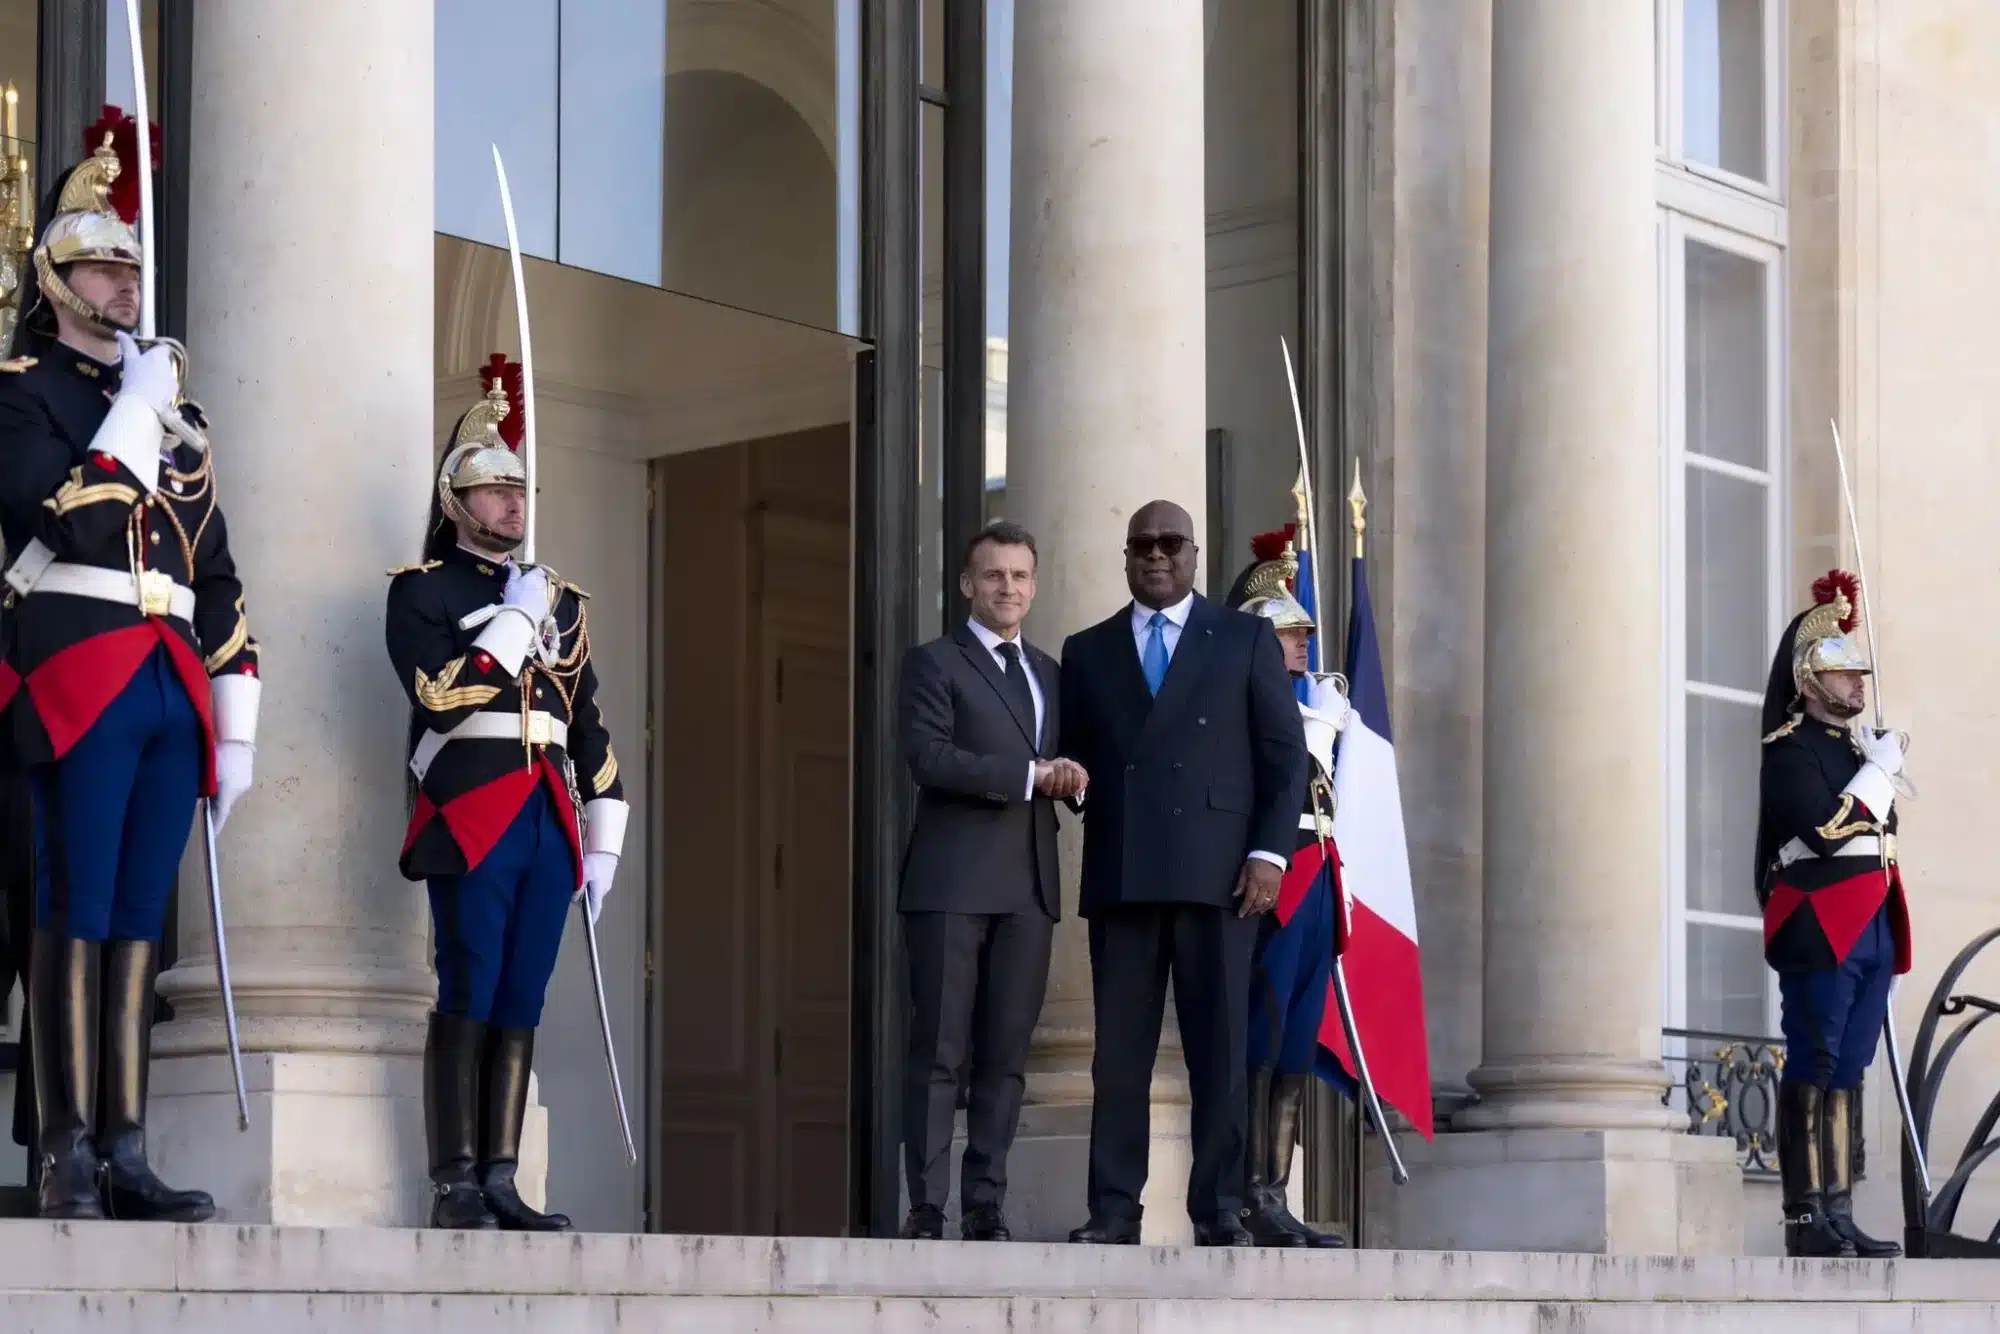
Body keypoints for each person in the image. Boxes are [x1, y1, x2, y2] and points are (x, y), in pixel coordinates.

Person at [0, 112, 257, 1222]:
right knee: (75, 899)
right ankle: (64, 1147)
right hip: (77, 661)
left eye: (130, 266)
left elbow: (220, 570)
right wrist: (134, 421)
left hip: (168, 678)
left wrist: (235, 715)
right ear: (55, 277)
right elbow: (63, 515)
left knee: (141, 912)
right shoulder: (23, 390)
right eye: (102, 264)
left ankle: (128, 1144)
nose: (122, 282)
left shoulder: (173, 412)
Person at [384, 356, 629, 1232]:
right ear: (456, 503)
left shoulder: (561, 602)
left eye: (518, 491)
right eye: (492, 491)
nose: (512, 504)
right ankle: (453, 1178)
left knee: (523, 993)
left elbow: (588, 723)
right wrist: (517, 619)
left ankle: (499, 1173)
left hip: (544, 817)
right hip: (472, 808)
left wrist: (603, 837)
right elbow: (441, 693)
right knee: (471, 982)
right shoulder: (423, 592)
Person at [1057, 499, 1308, 1246]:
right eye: (1142, 546)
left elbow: (1284, 755)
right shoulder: (1087, 649)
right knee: (1120, 1059)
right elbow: (1080, 757)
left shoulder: (1244, 639)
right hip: (1126, 872)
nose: (1156, 556)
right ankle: (1112, 1210)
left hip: (1223, 878)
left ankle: (1220, 1207)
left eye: (1171, 544)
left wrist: (1269, 856)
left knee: (1220, 1052)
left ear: (1196, 555)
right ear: (1126, 558)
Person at [895, 519, 1081, 1241]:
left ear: (1034, 587)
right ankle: (925, 1207)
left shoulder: (1048, 673)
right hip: (951, 883)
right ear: (968, 585)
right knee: (940, 1053)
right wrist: (1031, 775)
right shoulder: (933, 662)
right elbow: (930, 760)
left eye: (1021, 576)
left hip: (1029, 887)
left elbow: (1061, 761)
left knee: (1006, 1060)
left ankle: (985, 1207)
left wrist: (1070, 782)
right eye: (994, 575)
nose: (1009, 587)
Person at [1755, 569, 1911, 1260]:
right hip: (1821, 920)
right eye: (1845, 674)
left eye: (1859, 673)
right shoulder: (1790, 750)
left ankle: (1840, 1212)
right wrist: (1875, 776)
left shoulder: (1853, 750)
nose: (1859, 684)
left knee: (1850, 1066)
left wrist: (1874, 765)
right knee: (1814, 1059)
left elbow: (1881, 835)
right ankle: (1804, 1216)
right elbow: (1823, 829)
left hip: (1870, 919)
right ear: (1811, 681)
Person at [1221, 531, 1349, 1248]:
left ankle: (1275, 1192)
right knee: (1263, 1038)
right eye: (1289, 632)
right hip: (1277, 878)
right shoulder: (1248, 705)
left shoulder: (1318, 706)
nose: (1303, 643)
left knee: (1298, 1042)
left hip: (1321, 877)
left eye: (1303, 632)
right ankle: (1246, 1195)